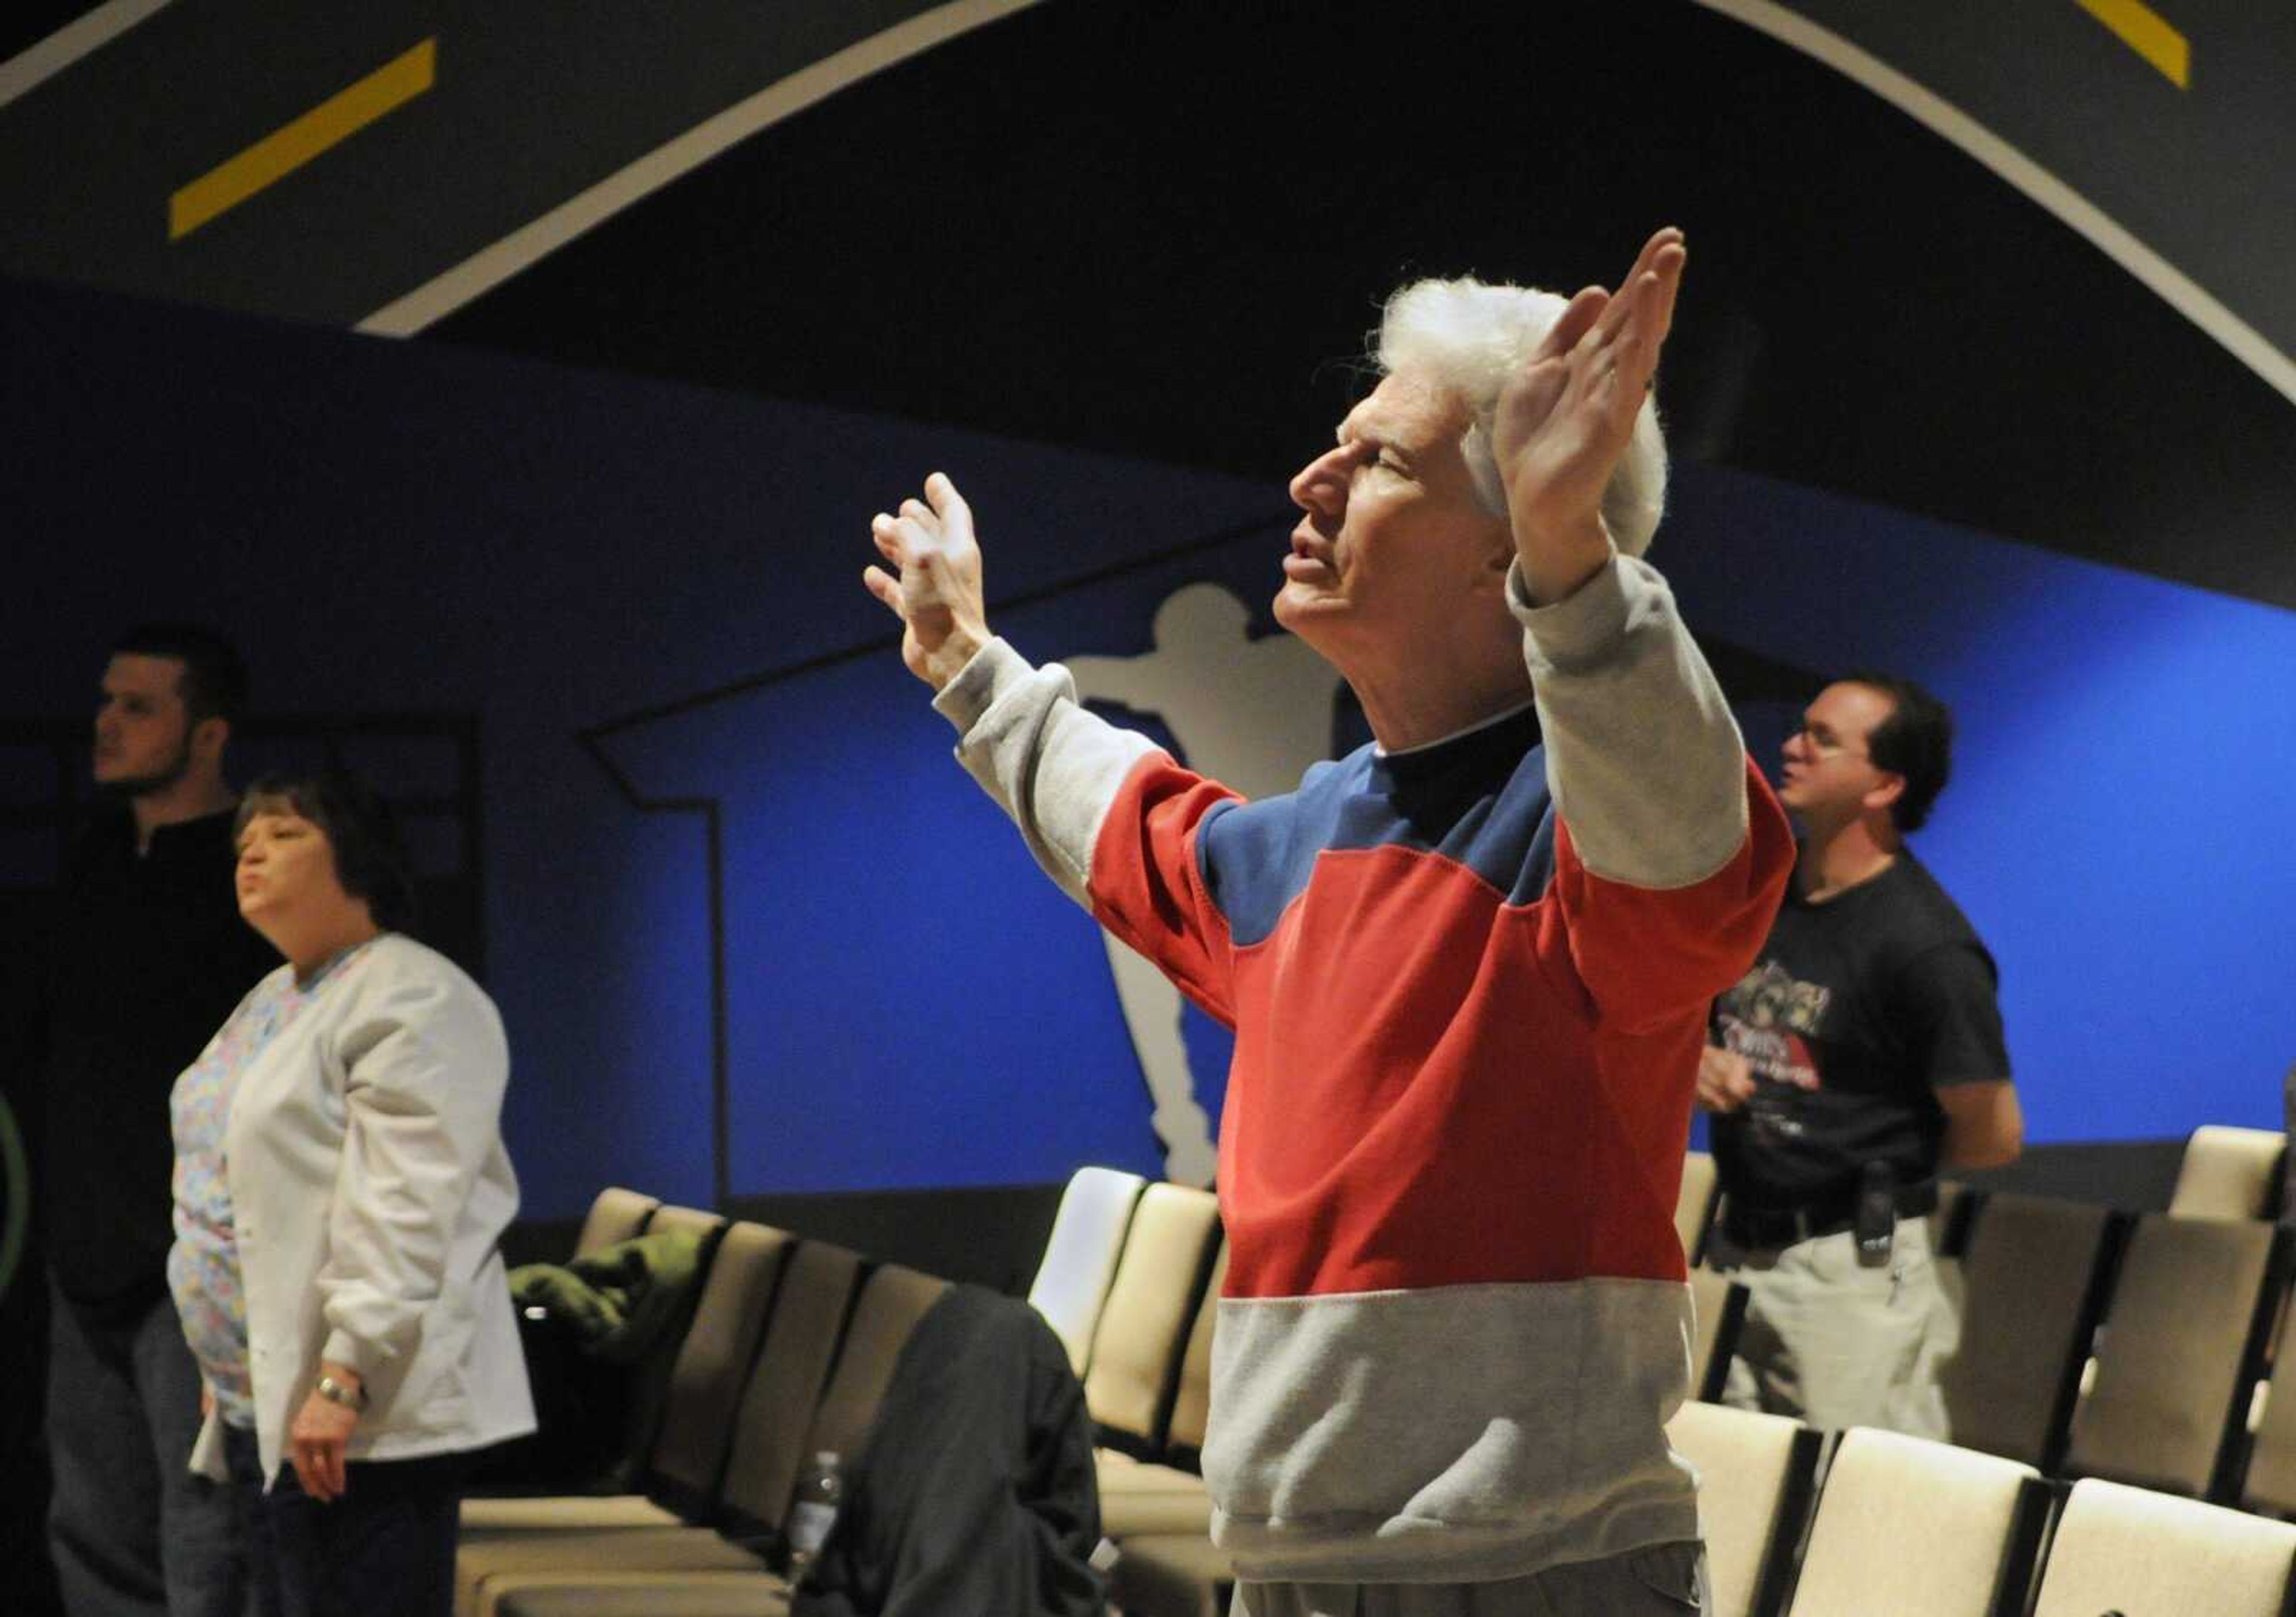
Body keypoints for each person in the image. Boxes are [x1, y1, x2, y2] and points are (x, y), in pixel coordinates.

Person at [861, 229, 1793, 1615]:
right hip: (1294, 1572)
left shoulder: (1589, 828)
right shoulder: (1310, 835)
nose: (1310, 478)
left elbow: (1683, 839)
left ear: (1502, 550)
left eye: (1379, 461)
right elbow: (1134, 820)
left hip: (1537, 1579)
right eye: (1336, 444)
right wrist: (967, 666)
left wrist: (1572, 555)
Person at [170, 769, 533, 1615]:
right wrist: (229, 1352)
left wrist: (343, 1375)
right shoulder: (277, 995)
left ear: (358, 858)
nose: (252, 850)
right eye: (244, 840)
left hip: (359, 1413)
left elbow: (408, 1201)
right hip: (263, 1400)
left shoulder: (412, 992)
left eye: (286, 834)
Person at [1697, 673, 2021, 1438]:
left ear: (1885, 785)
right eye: (1801, 727)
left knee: (1855, 1517)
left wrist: (1864, 1151)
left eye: (1823, 738)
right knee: (1735, 1507)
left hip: (1852, 1271)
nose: (1792, 746)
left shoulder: (1927, 945)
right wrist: (1695, 1061)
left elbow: (1993, 1133)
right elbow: (1693, 1020)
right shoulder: (1764, 894)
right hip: (1739, 1249)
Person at [38, 624, 277, 1616]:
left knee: (208, 1527)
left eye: (139, 707)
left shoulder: (247, 876)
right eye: (106, 702)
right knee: (93, 1527)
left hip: (199, 1263)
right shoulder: (91, 867)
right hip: (87, 1256)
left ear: (208, 732)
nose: (108, 724)